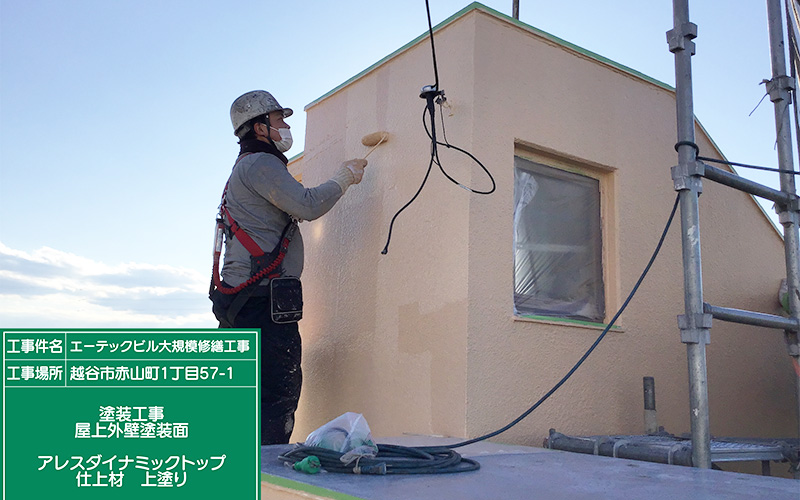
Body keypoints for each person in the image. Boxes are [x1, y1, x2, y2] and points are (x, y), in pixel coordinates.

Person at [210, 90, 367, 445]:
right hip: (262, 304)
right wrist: (344, 177)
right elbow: (307, 205)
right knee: (275, 395)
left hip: (244, 302)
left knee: (244, 396)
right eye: (279, 119)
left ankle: (238, 462)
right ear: (259, 127)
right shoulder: (260, 165)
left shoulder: (247, 167)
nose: (286, 126)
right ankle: (263, 470)